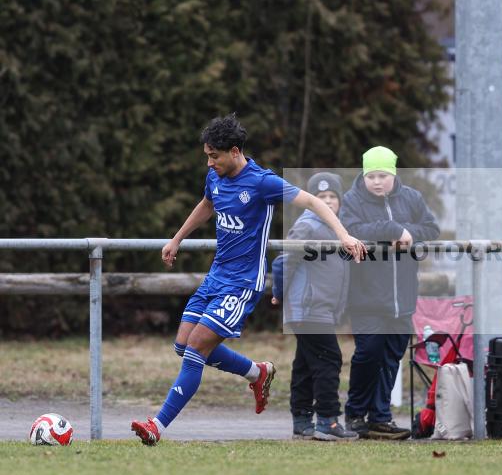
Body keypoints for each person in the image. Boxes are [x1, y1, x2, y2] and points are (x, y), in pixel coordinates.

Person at [131, 114, 365, 446]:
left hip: (243, 283)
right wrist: (177, 238)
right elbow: (206, 205)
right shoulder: (215, 176)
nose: (210, 163)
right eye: (207, 156)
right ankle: (257, 372)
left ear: (235, 151)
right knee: (183, 345)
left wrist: (344, 236)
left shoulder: (262, 182)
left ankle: (156, 425)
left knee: (196, 349)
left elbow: (312, 202)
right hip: (215, 277)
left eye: (215, 156)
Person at [339, 146, 440, 440]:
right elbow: (352, 229)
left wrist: (409, 233)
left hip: (403, 299)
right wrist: (393, 229)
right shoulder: (352, 200)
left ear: (393, 174)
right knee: (368, 354)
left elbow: (430, 228)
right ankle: (356, 413)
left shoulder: (412, 198)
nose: (377, 181)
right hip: (367, 298)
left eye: (383, 175)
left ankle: (380, 416)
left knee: (391, 357)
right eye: (371, 175)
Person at [272, 172, 357, 441]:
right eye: (321, 197)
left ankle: (301, 420)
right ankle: (328, 421)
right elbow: (284, 260)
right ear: (311, 201)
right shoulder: (308, 225)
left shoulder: (336, 229)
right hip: (308, 307)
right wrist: (279, 293)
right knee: (329, 359)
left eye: (333, 196)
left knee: (306, 363)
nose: (328, 201)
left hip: (322, 308)